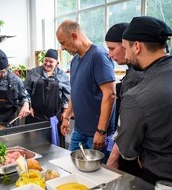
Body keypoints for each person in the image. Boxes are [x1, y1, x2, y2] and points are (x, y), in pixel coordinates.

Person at [115, 16, 172, 185]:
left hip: (161, 177)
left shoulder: (137, 96)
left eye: (125, 48)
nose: (125, 54)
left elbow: (126, 151)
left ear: (137, 46)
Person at [56, 20, 116, 161]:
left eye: (63, 43)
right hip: (79, 130)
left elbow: (110, 94)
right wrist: (67, 116)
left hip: (96, 133)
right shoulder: (75, 60)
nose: (62, 48)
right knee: (73, 167)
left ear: (74, 36)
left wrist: (101, 131)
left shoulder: (98, 56)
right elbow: (75, 91)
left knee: (98, 176)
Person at [105, 23, 143, 177]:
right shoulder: (132, 72)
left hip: (131, 152)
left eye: (112, 48)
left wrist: (114, 155)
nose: (109, 54)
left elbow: (130, 123)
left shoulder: (136, 77)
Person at [24, 49, 70, 147]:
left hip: (54, 119)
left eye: (51, 61)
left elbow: (67, 95)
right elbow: (26, 91)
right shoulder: (34, 72)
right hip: (34, 117)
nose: (47, 63)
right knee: (34, 146)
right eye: (46, 60)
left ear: (57, 62)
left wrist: (65, 111)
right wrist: (28, 105)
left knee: (53, 147)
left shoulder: (63, 75)